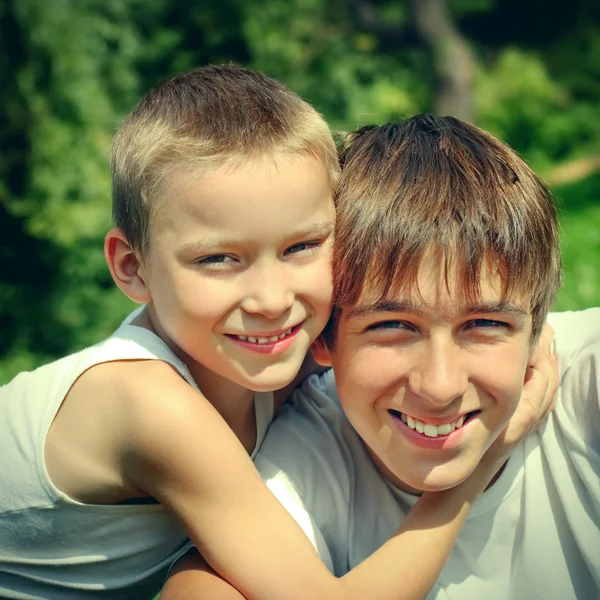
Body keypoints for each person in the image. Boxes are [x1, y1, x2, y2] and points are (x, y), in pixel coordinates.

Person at [0, 66, 555, 600]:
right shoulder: (147, 404)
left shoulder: (271, 359)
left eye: (302, 246)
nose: (272, 300)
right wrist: (476, 463)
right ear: (131, 266)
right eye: (218, 258)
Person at [162, 115, 598, 600]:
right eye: (392, 327)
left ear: (537, 329)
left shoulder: (587, 377)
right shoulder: (312, 447)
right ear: (323, 338)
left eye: (485, 325)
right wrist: (471, 476)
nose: (440, 385)